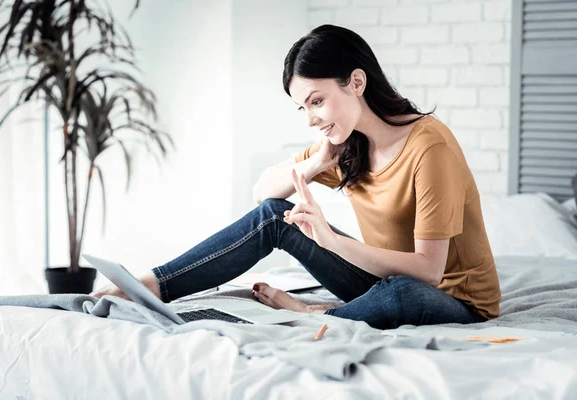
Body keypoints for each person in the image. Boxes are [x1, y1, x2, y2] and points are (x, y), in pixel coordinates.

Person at [91, 24, 501, 329]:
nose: (311, 119)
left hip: (450, 299)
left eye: (317, 101)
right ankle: (149, 286)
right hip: (379, 281)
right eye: (302, 107)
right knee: (275, 215)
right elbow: (262, 194)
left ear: (357, 82)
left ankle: (313, 313)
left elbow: (429, 272)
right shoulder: (346, 143)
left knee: (400, 293)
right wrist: (318, 161)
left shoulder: (430, 148)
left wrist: (332, 241)